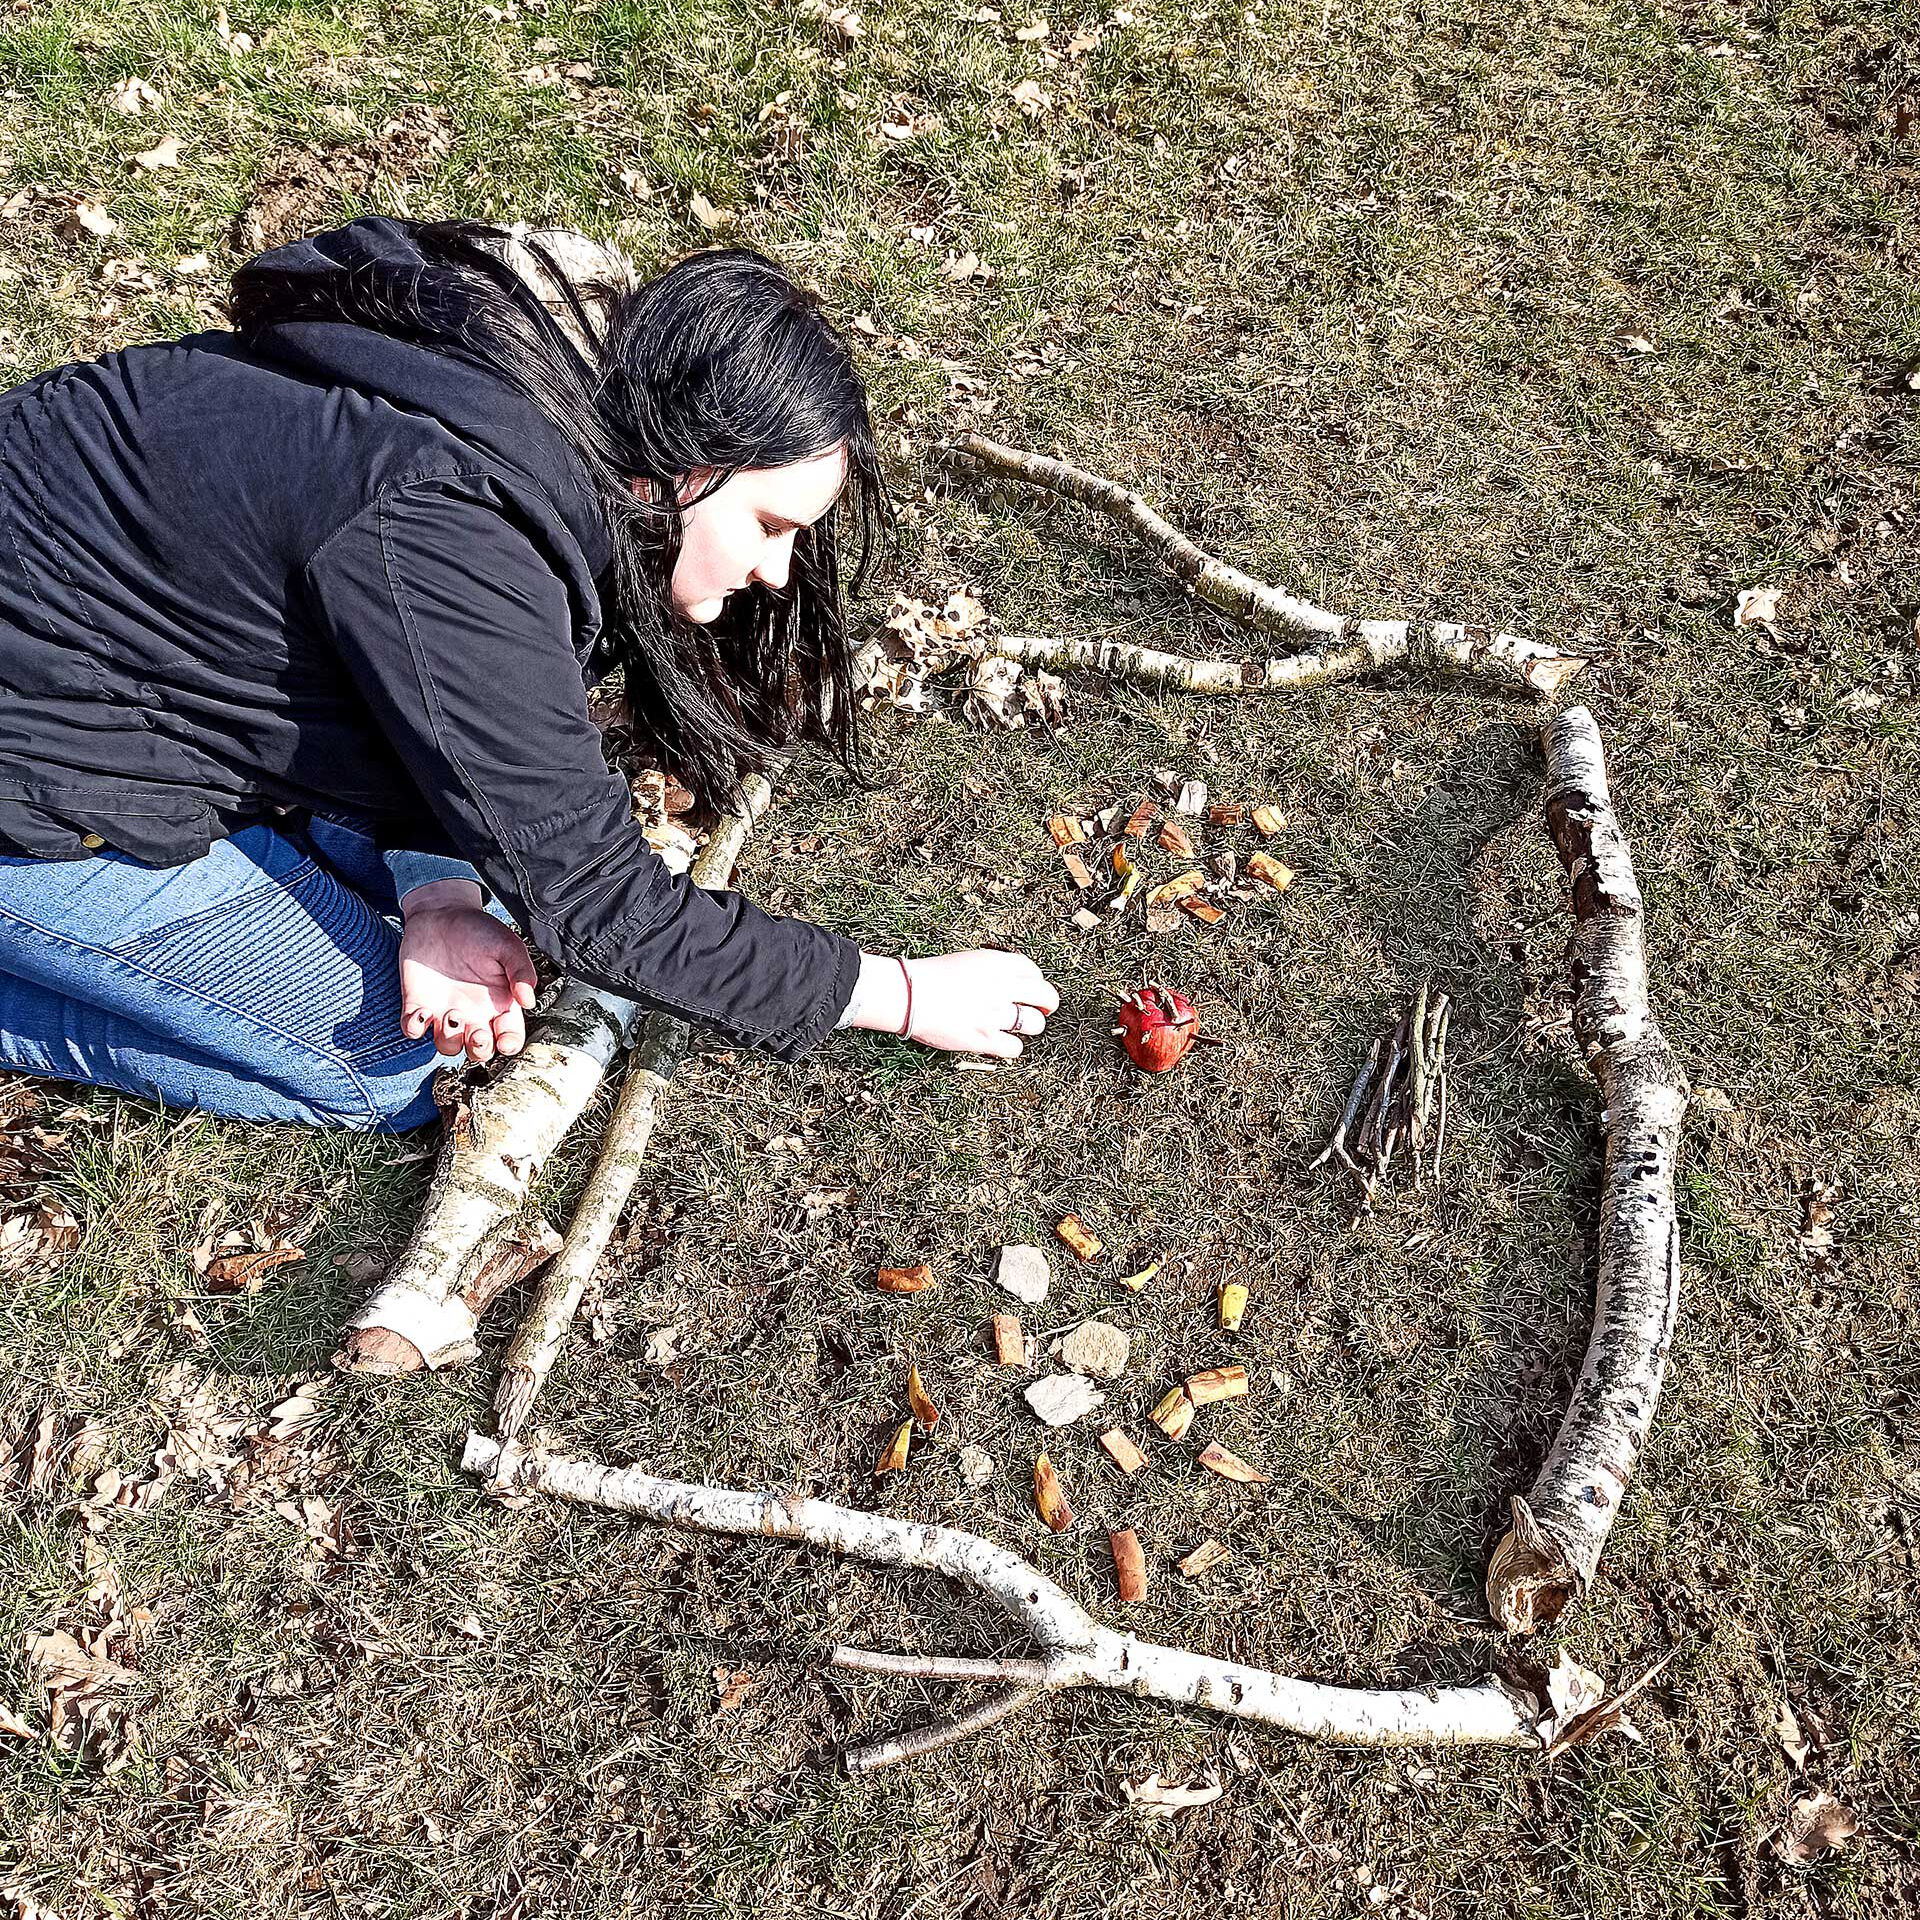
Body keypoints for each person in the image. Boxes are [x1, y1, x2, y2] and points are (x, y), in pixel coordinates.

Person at [0, 216, 1057, 1130]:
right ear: (682, 470)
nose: (777, 572)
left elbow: (405, 670)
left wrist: (438, 889)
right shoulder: (451, 529)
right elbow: (600, 902)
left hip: (83, 655)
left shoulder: (498, 397)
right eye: (770, 525)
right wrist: (902, 994)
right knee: (384, 1064)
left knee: (375, 881)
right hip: (31, 782)